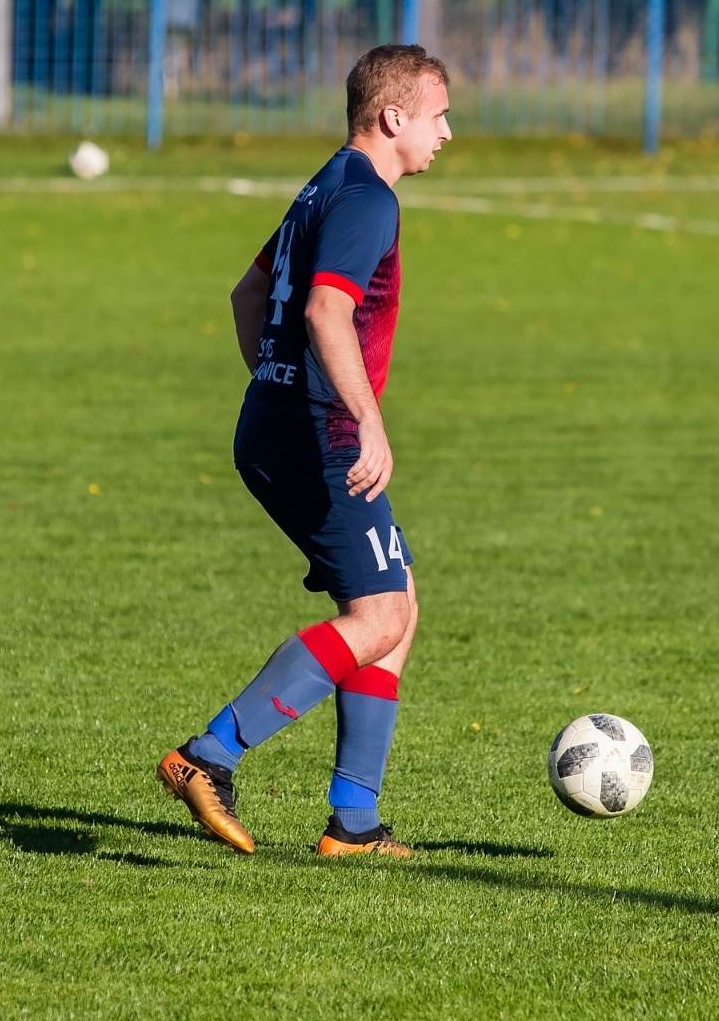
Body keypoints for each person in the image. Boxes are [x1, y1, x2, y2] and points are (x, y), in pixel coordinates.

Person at [155, 45, 452, 859]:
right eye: (438, 114)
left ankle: (354, 821)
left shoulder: (324, 183)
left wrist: (275, 380)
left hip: (283, 420)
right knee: (380, 615)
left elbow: (248, 293)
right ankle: (208, 756)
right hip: (318, 431)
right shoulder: (367, 199)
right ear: (393, 117)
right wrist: (367, 418)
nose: (447, 132)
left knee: (399, 608)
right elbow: (326, 312)